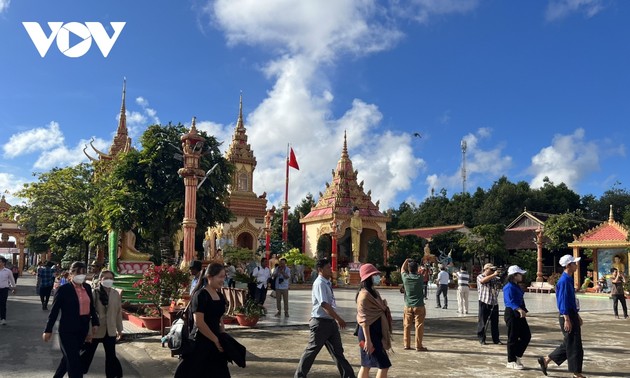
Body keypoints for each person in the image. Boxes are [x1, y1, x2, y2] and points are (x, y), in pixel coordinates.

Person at [295, 259, 355, 378]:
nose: (331, 269)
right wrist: (338, 318)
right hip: (321, 323)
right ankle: (299, 376)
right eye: (328, 267)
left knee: (338, 351)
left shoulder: (326, 282)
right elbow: (324, 304)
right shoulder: (320, 283)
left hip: (329, 322)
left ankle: (348, 375)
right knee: (312, 351)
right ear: (320, 270)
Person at [58, 270, 123, 378]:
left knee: (111, 357)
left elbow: (118, 312)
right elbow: (89, 313)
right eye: (106, 278)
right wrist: (88, 332)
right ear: (101, 280)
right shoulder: (94, 293)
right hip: (95, 330)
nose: (108, 280)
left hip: (110, 330)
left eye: (111, 278)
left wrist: (119, 329)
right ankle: (71, 372)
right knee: (85, 356)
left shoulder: (115, 294)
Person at [43, 261, 99, 378]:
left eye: (83, 273)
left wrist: (95, 322)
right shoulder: (63, 289)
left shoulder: (87, 288)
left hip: (82, 330)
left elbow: (91, 307)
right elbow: (54, 311)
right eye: (78, 272)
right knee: (74, 363)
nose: (81, 275)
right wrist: (48, 330)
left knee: (68, 358)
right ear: (71, 274)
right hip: (67, 331)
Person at [175, 262, 230, 378]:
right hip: (200, 342)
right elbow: (199, 322)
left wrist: (223, 335)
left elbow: (220, 318)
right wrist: (215, 339)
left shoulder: (220, 296)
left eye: (224, 277)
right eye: (220, 277)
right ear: (210, 277)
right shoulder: (200, 295)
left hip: (216, 342)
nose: (222, 280)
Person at [538, 255, 585, 378]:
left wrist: (577, 315)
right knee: (574, 345)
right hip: (567, 315)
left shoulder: (568, 279)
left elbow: (571, 300)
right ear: (568, 265)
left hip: (571, 314)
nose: (576, 265)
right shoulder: (564, 281)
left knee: (569, 342)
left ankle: (546, 360)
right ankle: (576, 372)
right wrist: (567, 319)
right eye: (574, 263)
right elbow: (562, 301)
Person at [356, 263, 392, 378]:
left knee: (366, 365)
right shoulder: (364, 295)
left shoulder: (374, 292)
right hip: (368, 335)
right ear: (368, 277)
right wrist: (368, 341)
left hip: (376, 333)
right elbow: (364, 321)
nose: (377, 277)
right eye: (375, 275)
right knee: (383, 364)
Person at [503, 265, 531, 370]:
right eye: (520, 274)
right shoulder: (508, 287)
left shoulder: (516, 285)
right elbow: (510, 301)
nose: (522, 275)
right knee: (512, 337)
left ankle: (516, 355)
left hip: (520, 312)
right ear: (514, 276)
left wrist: (523, 310)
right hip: (512, 313)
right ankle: (510, 361)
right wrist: (519, 309)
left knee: (526, 336)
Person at [400, 259, 427, 351]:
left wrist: (406, 260)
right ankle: (418, 346)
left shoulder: (405, 277)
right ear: (417, 269)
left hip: (408, 305)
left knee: (407, 325)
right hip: (419, 305)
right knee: (419, 326)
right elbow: (422, 271)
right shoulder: (420, 278)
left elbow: (402, 269)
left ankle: (406, 344)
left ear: (409, 269)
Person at [477, 263, 502, 345]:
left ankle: (496, 339)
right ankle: (482, 338)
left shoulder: (494, 278)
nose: (492, 271)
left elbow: (499, 284)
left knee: (495, 322)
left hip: (494, 302)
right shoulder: (480, 276)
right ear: (486, 269)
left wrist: (500, 276)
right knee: (482, 321)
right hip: (484, 301)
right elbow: (483, 281)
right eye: (491, 270)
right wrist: (493, 275)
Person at [0, 256, 17, 325]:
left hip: (4, 289)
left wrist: (14, 288)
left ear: (3, 263)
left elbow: (12, 280)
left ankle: (3, 319)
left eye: (0, 262)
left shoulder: (8, 271)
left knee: (2, 304)